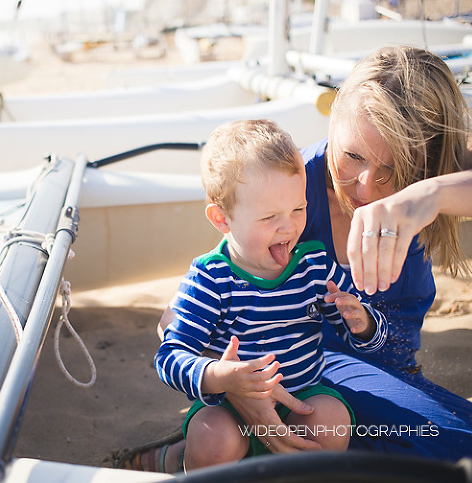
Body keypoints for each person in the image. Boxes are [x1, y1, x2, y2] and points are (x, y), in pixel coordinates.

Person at [124, 45, 472, 473]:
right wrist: (238, 391)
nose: (364, 186)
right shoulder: (284, 193)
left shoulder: (433, 176)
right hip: (311, 378)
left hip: (384, 379)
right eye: (353, 156)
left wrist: (429, 195)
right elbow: (182, 316)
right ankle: (208, 450)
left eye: (395, 170)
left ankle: (212, 453)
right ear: (333, 115)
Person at [154, 119, 389, 471]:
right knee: (213, 436)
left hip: (301, 396)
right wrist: (218, 375)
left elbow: (366, 336)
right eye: (269, 217)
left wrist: (362, 323)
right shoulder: (211, 278)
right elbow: (170, 357)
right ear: (222, 219)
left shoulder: (313, 264)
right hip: (229, 411)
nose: (289, 227)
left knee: (332, 420)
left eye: (298, 209)